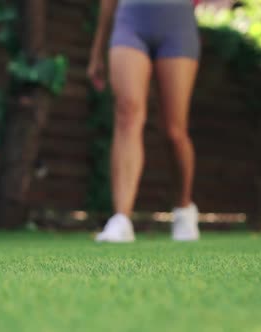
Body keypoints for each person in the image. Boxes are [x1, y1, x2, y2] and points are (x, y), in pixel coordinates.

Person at [87, 0, 201, 242]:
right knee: (127, 114)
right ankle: (121, 218)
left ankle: (183, 209)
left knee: (174, 131)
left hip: (177, 22)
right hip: (130, 19)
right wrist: (97, 50)